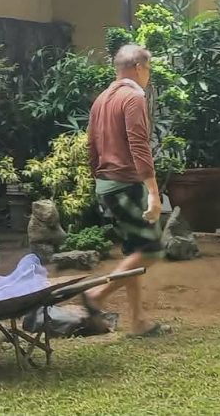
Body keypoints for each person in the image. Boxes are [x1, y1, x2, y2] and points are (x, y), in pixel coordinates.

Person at [83, 44, 169, 337]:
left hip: (107, 185)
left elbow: (91, 146)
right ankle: (96, 295)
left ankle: (139, 321)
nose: (149, 76)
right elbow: (139, 145)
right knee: (151, 249)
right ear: (139, 68)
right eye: (149, 70)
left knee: (134, 249)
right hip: (126, 184)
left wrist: (99, 177)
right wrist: (154, 193)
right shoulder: (133, 97)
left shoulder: (101, 100)